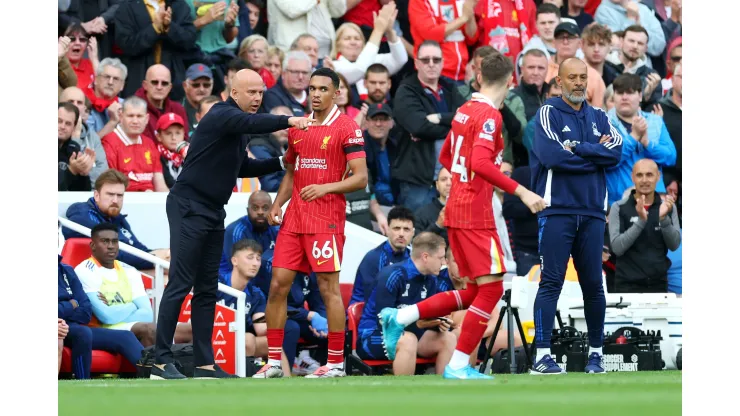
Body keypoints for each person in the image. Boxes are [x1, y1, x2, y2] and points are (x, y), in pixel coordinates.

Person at [378, 53, 547, 380]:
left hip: (459, 207)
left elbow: (446, 155)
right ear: (510, 81)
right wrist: (521, 191)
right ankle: (457, 365)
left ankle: (401, 317)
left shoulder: (464, 111)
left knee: (473, 291)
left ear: (479, 77)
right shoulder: (487, 116)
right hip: (474, 212)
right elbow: (481, 164)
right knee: (492, 290)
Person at [151, 69, 314, 380]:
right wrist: (289, 120)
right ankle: (160, 360)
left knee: (208, 289)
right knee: (181, 282)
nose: (256, 98)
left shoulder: (236, 128)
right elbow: (252, 123)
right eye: (250, 92)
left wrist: (282, 162)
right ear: (233, 92)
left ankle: (204, 365)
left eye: (260, 93)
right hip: (188, 205)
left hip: (212, 209)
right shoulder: (220, 113)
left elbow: (242, 167)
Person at [256, 68, 368, 379]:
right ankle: (275, 363)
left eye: (323, 89)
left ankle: (335, 363)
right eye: (312, 88)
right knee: (277, 284)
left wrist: (326, 187)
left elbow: (361, 177)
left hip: (326, 220)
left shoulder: (347, 129)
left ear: (336, 93)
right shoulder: (298, 127)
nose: (316, 94)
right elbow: (292, 172)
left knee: (328, 288)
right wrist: (278, 204)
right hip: (294, 218)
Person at [529, 57, 623, 375]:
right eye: (572, 77)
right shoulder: (548, 112)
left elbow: (616, 153)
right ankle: (542, 355)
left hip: (594, 212)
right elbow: (551, 155)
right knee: (551, 282)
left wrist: (577, 148)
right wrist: (593, 153)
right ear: (559, 80)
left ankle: (596, 355)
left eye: (583, 77)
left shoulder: (600, 116)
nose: (579, 83)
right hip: (558, 210)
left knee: (594, 285)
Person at [74, 223, 192, 347]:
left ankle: (185, 365)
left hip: (133, 324)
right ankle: (156, 366)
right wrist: (132, 306)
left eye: (114, 242)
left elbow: (146, 314)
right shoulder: (85, 270)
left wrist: (116, 310)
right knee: (150, 329)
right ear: (93, 246)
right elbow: (106, 317)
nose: (111, 246)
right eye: (105, 241)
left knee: (191, 330)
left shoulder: (129, 270)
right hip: (106, 328)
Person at [356, 232, 456, 375]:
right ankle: (404, 395)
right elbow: (385, 322)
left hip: (412, 333)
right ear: (425, 257)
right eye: (440, 258)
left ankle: (446, 394)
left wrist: (439, 323)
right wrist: (421, 324)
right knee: (408, 340)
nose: (444, 263)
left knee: (448, 338)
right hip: (372, 336)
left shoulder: (432, 279)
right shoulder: (393, 275)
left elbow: (426, 317)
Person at [59, 255, 144, 379]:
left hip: (71, 325)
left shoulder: (67, 270)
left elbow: (86, 311)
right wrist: (70, 305)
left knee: (125, 336)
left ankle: (154, 373)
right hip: (61, 327)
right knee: (82, 333)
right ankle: (81, 382)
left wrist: (66, 309)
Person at [218, 239, 296, 374]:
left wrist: (279, 316)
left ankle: (286, 383)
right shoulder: (218, 284)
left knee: (272, 344)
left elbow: (260, 328)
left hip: (240, 339)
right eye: (250, 258)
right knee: (246, 339)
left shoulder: (256, 294)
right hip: (212, 336)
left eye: (258, 259)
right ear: (234, 261)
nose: (255, 263)